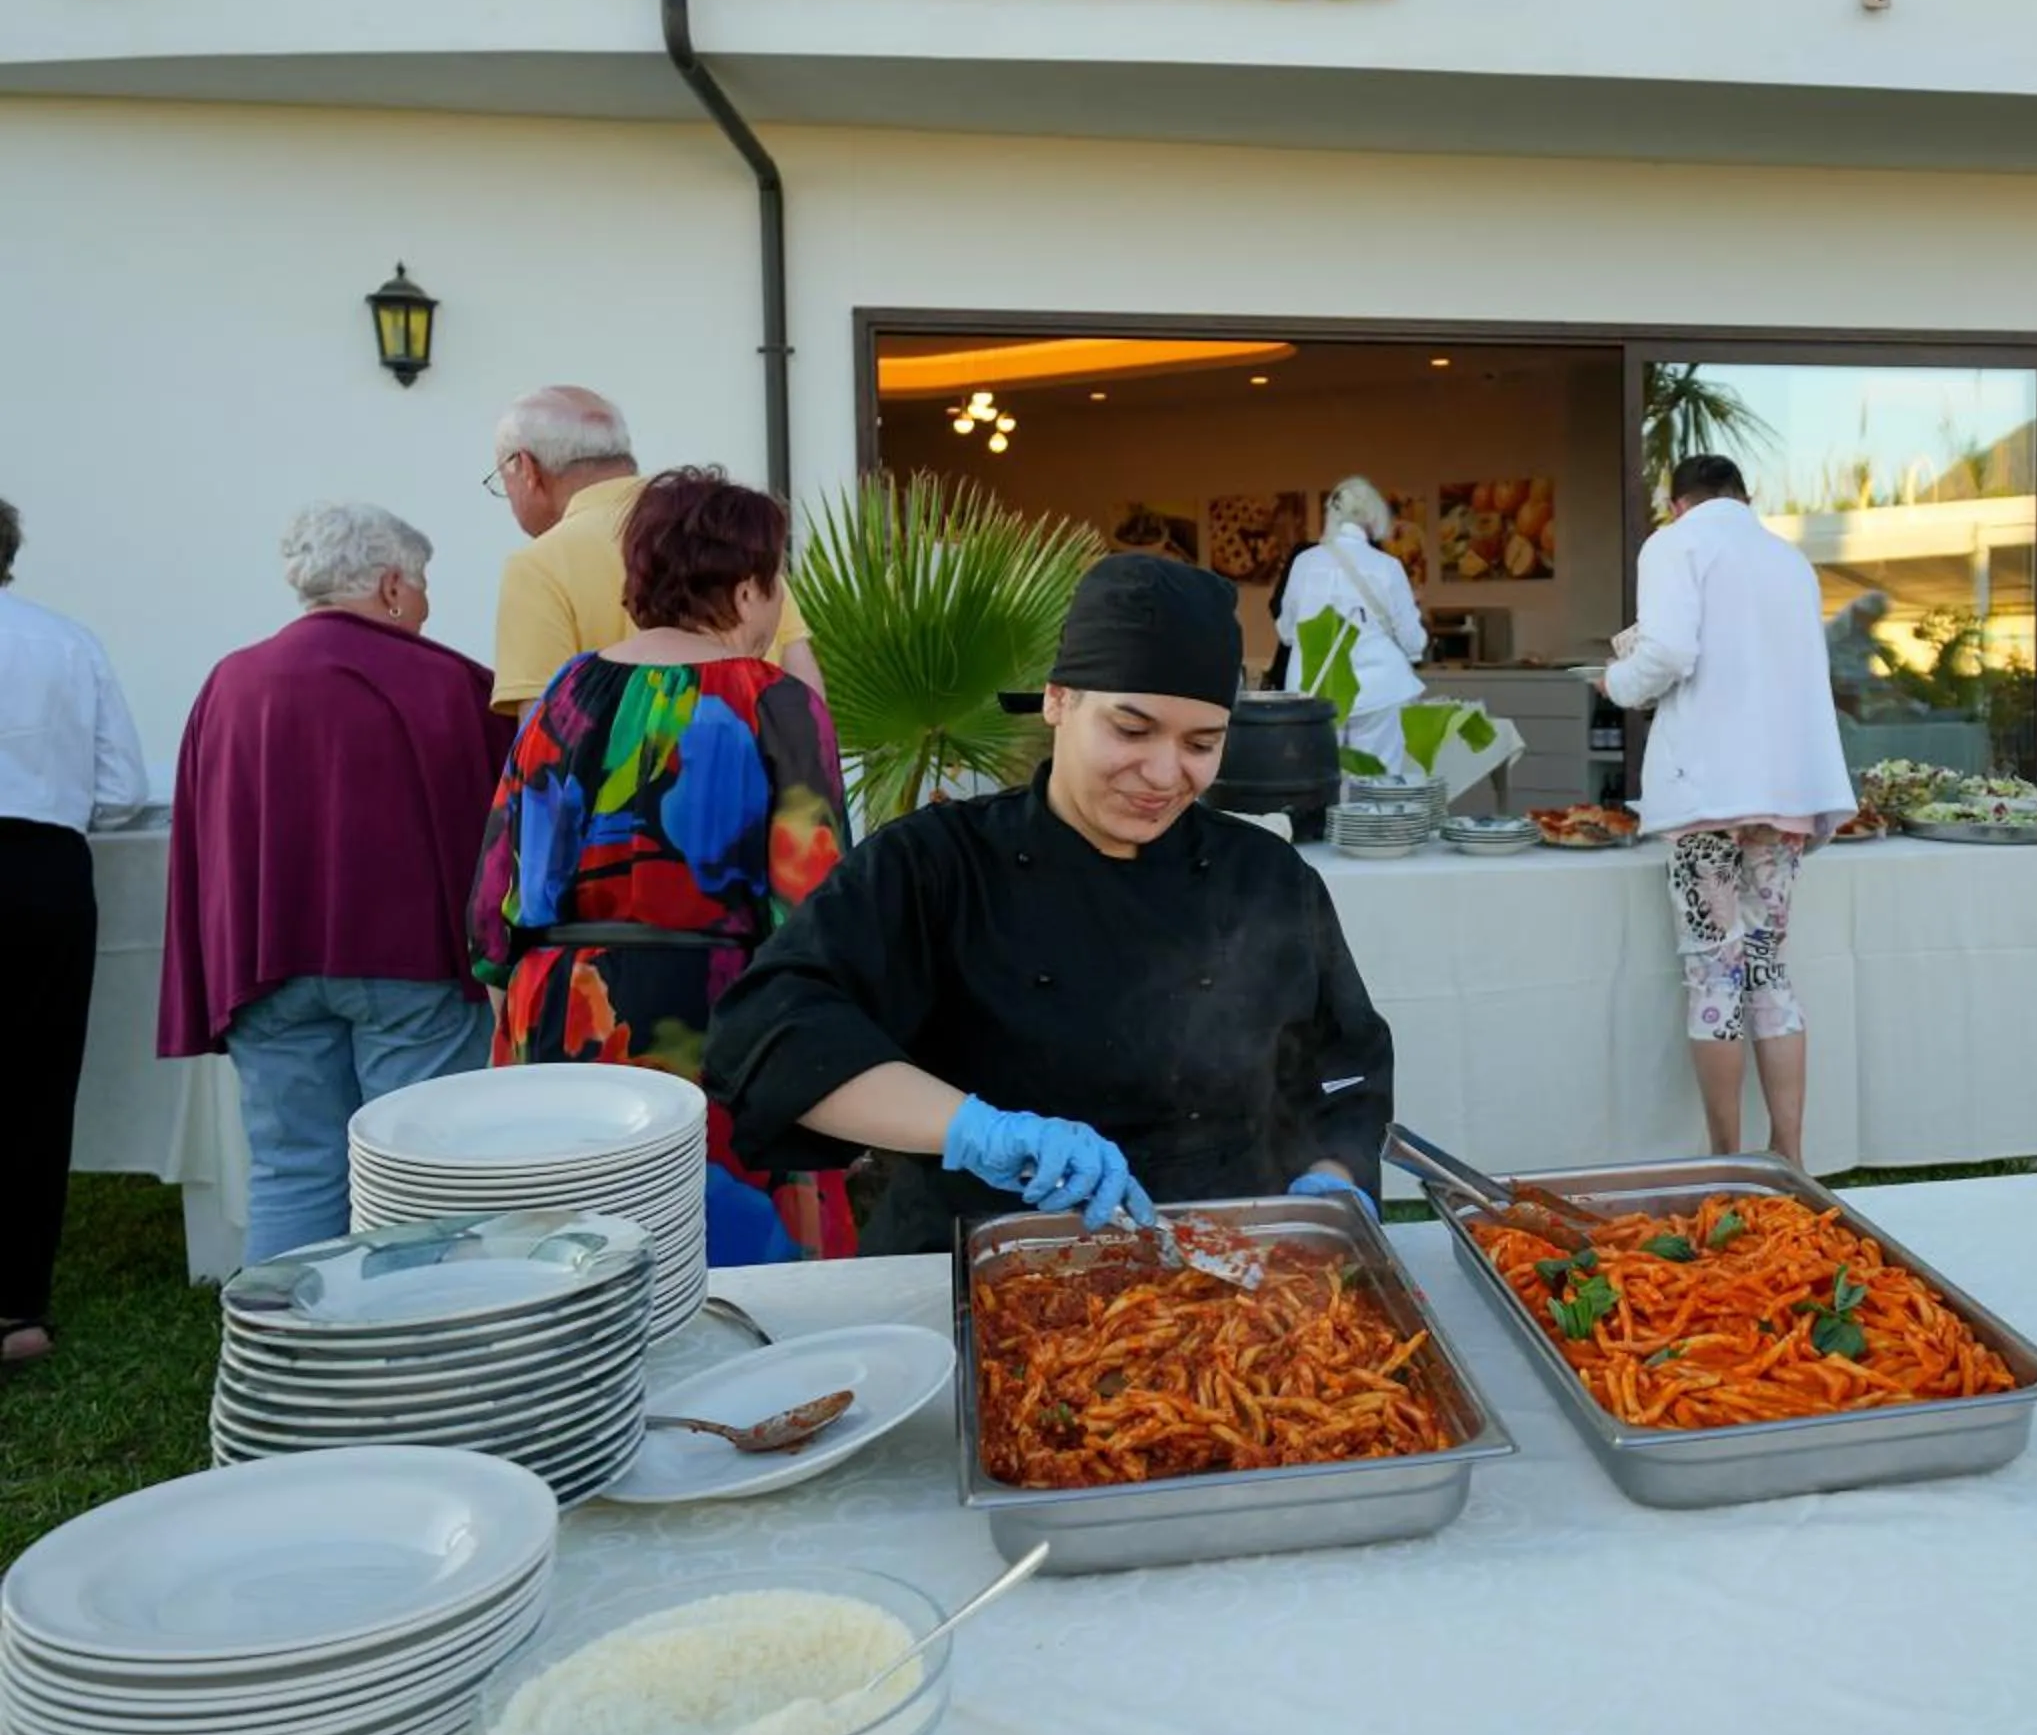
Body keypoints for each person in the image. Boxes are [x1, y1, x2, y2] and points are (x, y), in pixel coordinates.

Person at [704, 552, 1390, 1257]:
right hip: (977, 1249)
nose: (1163, 774)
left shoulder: (1267, 876)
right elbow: (768, 1031)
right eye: (1131, 730)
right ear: (1058, 701)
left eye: (1201, 743)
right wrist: (977, 1131)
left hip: (1224, 1256)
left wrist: (1332, 1181)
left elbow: (1348, 1068)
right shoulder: (936, 864)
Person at [472, 469, 857, 1264]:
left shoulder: (565, 692)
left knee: (575, 1264)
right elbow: (816, 904)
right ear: (747, 588)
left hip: (558, 1008)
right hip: (716, 1015)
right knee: (727, 1263)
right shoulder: (776, 701)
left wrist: (512, 1008)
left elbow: (498, 888)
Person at [160, 505, 514, 1263]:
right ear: (391, 586)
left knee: (291, 1167)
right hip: (413, 969)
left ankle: (290, 1335)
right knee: (415, 1169)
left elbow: (201, 834)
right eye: (422, 584)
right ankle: (411, 1331)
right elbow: (498, 829)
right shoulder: (447, 682)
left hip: (264, 965)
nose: (426, 603)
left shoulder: (230, 683)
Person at [1604, 455, 1856, 1166]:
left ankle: (1726, 1160)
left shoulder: (1675, 544)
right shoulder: (1789, 560)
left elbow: (1667, 653)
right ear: (1744, 496)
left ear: (1676, 503)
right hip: (1784, 792)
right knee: (1769, 968)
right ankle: (1790, 1157)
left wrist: (1616, 681)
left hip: (1707, 793)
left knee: (1715, 975)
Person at [0, 496, 147, 1368]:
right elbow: (122, 788)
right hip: (42, 871)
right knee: (35, 1081)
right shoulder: (65, 642)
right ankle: (17, 1306)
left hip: (44, 861)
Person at [488, 386, 820, 712]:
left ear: (526, 468)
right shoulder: (722, 529)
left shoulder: (536, 567)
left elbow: (542, 730)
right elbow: (806, 693)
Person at [1275, 477, 1430, 777]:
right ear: (1373, 517)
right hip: (1379, 689)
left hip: (1317, 689)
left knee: (1318, 781)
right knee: (1376, 782)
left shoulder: (1304, 563)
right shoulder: (1387, 566)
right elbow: (1413, 641)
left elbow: (1287, 632)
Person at [1825, 591, 1893, 719]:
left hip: (1850, 696)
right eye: (1870, 618)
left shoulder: (1863, 637)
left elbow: (1860, 667)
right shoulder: (1832, 633)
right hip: (1831, 696)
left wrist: (1880, 683)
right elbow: (1830, 666)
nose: (1872, 623)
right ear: (1859, 612)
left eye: (1875, 620)